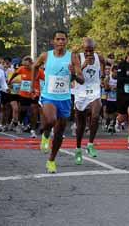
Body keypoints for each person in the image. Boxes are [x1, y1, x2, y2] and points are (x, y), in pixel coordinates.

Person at [33, 30, 83, 173]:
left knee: (60, 133)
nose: (61, 42)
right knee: (50, 120)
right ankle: (45, 134)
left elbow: (81, 79)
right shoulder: (46, 55)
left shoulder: (72, 57)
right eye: (58, 39)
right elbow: (34, 66)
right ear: (53, 41)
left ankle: (51, 160)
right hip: (49, 96)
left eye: (63, 39)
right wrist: (32, 85)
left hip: (65, 98)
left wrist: (73, 72)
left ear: (66, 41)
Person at [73, 38, 105, 163]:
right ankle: (78, 148)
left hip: (94, 91)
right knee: (80, 125)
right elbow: (75, 74)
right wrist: (83, 65)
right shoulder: (78, 57)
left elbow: (105, 63)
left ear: (94, 49)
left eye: (91, 51)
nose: (88, 53)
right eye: (86, 50)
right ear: (83, 49)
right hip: (80, 91)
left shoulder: (99, 57)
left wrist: (102, 76)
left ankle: (90, 144)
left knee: (96, 115)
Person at [8, 56, 44, 138]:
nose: (25, 67)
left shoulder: (39, 71)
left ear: (32, 63)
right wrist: (10, 81)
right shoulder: (21, 69)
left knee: (34, 110)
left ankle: (33, 129)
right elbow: (15, 74)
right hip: (23, 93)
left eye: (27, 66)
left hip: (34, 94)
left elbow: (46, 79)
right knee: (23, 110)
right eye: (24, 65)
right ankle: (19, 124)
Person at [103, 65, 118, 133]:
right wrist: (110, 87)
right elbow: (105, 88)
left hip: (116, 99)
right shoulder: (108, 78)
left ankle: (112, 125)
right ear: (112, 72)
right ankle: (107, 123)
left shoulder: (119, 79)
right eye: (115, 72)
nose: (116, 74)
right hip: (108, 98)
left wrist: (117, 88)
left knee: (115, 113)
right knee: (108, 114)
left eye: (117, 73)